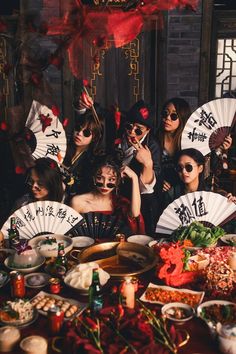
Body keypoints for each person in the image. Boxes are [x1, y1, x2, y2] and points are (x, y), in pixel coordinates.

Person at [71, 155, 145, 237]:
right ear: (93, 178)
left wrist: (134, 177)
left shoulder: (119, 203)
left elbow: (135, 213)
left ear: (118, 181)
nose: (104, 184)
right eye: (100, 178)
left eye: (111, 179)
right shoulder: (78, 202)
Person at [162, 148, 236, 211]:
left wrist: (230, 204)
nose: (183, 172)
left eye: (189, 167)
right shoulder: (171, 195)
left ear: (200, 168)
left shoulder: (212, 195)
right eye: (179, 168)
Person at [62, 112, 103, 202]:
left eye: (86, 132)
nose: (79, 133)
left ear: (94, 137)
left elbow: (85, 189)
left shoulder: (92, 161)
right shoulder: (62, 147)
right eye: (78, 128)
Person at [157, 97, 191, 192]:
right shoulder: (154, 139)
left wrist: (220, 149)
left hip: (181, 188)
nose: (167, 118)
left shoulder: (187, 143)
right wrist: (158, 181)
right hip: (158, 188)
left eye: (174, 116)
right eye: (165, 113)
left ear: (182, 118)